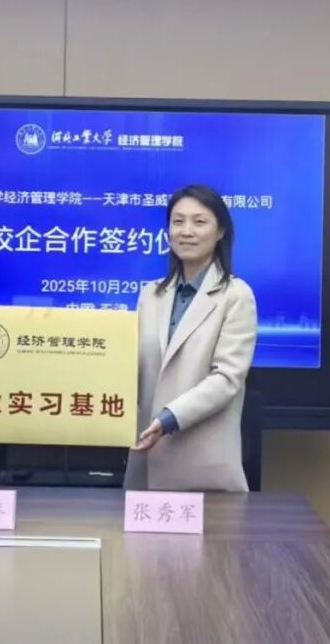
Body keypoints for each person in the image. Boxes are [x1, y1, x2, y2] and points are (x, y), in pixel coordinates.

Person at [124, 184, 258, 492]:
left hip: (203, 467)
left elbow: (227, 378)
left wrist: (169, 418)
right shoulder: (150, 295)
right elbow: (133, 369)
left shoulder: (236, 295)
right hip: (146, 460)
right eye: (178, 221)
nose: (186, 231)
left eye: (199, 222)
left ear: (220, 231)